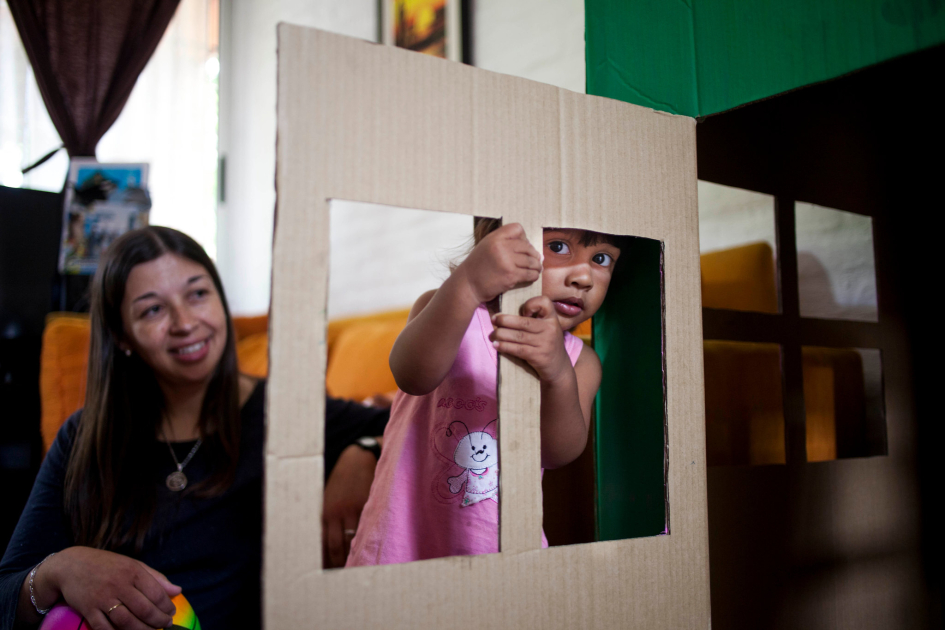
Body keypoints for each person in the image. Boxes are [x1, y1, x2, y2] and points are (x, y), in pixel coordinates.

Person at [0, 226, 388, 629]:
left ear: (221, 300)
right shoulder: (84, 437)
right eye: (153, 310)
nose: (185, 323)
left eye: (198, 294)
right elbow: (6, 594)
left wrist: (364, 450)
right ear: (121, 336)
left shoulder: (288, 412)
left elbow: (423, 427)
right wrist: (59, 569)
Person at [347, 219, 622, 566]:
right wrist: (468, 283)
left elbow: (558, 453)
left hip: (501, 549)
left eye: (602, 259)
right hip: (401, 542)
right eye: (558, 247)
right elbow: (411, 375)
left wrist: (556, 375)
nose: (584, 278)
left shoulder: (580, 360)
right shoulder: (448, 309)